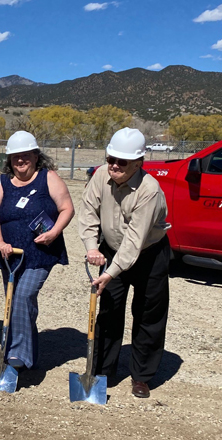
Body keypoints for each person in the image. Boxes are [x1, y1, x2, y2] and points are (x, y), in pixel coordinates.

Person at [78, 127, 171, 399]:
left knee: (148, 315)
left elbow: (134, 240)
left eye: (122, 162)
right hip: (110, 248)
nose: (114, 166)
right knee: (108, 309)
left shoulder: (149, 190)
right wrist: (92, 247)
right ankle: (103, 369)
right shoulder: (100, 176)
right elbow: (87, 213)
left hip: (148, 254)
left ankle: (141, 376)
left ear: (139, 163)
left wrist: (111, 273)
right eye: (110, 159)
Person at [0, 130, 74, 372]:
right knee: (14, 302)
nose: (20, 161)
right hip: (9, 254)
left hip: (40, 253)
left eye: (26, 155)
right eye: (15, 157)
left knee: (23, 296)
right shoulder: (1, 182)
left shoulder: (48, 178)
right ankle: (25, 350)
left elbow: (67, 208)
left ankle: (18, 357)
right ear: (9, 159)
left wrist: (54, 232)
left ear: (36, 156)